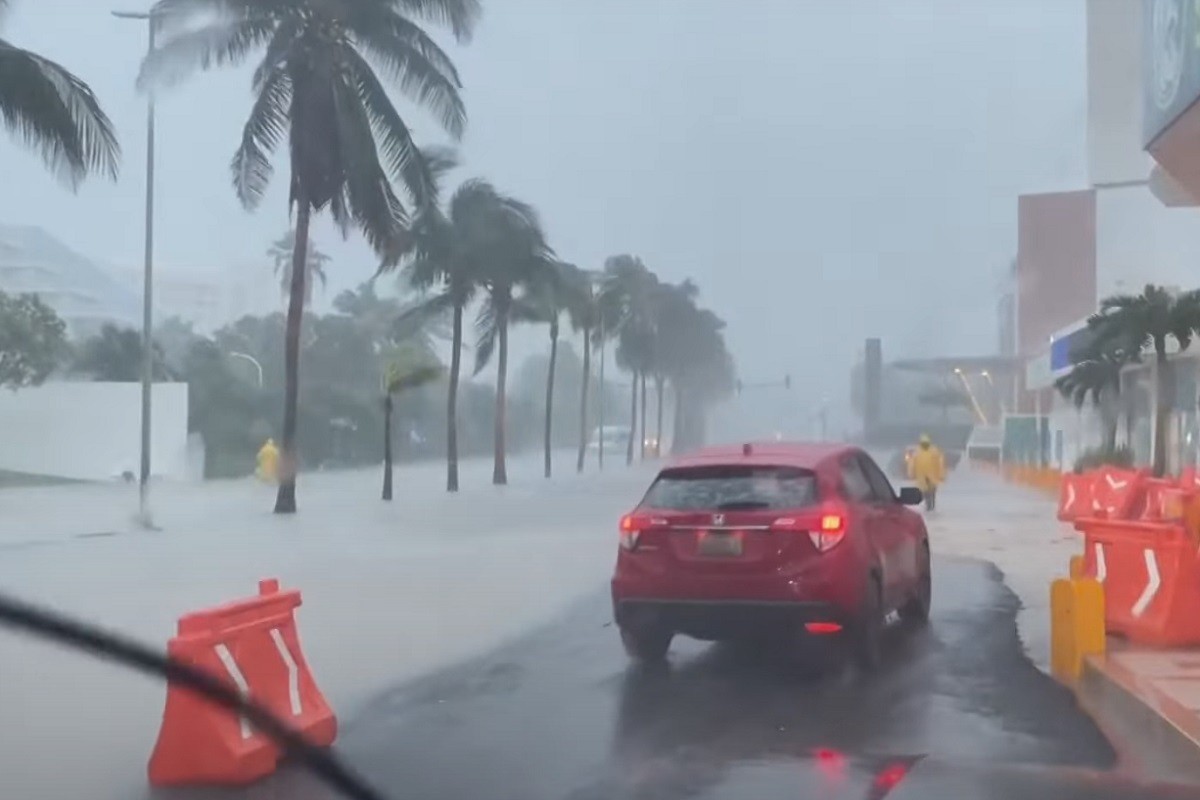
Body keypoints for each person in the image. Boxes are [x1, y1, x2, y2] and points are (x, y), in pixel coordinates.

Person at [907, 433, 946, 511]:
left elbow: (940, 464)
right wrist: (911, 474)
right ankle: (929, 505)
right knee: (925, 492)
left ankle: (931, 506)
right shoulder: (917, 452)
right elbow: (911, 464)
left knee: (932, 491)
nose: (925, 445)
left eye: (926, 443)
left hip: (932, 476)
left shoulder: (934, 451)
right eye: (923, 443)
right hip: (922, 476)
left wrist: (941, 475)